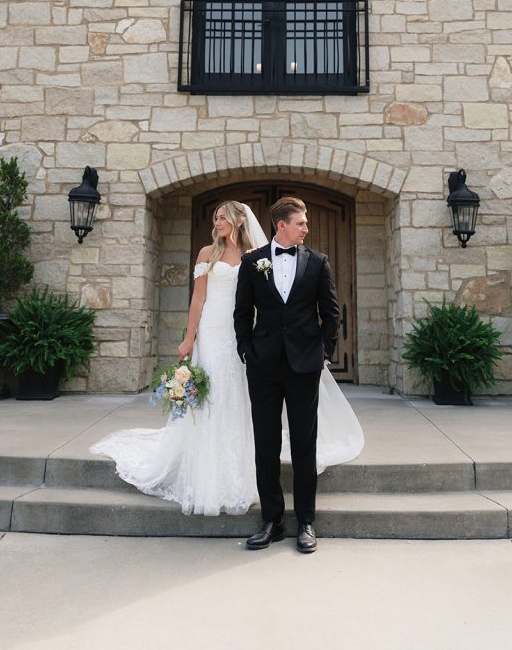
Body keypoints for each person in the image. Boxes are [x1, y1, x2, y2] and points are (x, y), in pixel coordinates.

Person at [90, 200, 364, 522]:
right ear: (283, 226)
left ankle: (287, 508)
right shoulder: (217, 255)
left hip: (278, 352)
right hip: (221, 337)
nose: (217, 222)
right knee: (227, 412)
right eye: (215, 217)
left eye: (222, 217)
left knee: (244, 409)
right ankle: (231, 490)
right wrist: (194, 338)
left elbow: (310, 309)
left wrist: (317, 352)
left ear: (237, 220)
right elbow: (205, 299)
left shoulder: (274, 256)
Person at [234, 196, 340, 554]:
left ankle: (306, 521)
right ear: (282, 225)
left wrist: (324, 352)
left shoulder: (318, 262)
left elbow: (331, 313)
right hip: (263, 365)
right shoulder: (252, 262)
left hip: (303, 366)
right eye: (301, 223)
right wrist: (246, 350)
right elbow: (241, 312)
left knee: (304, 444)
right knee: (265, 445)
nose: (306, 229)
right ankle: (272, 521)